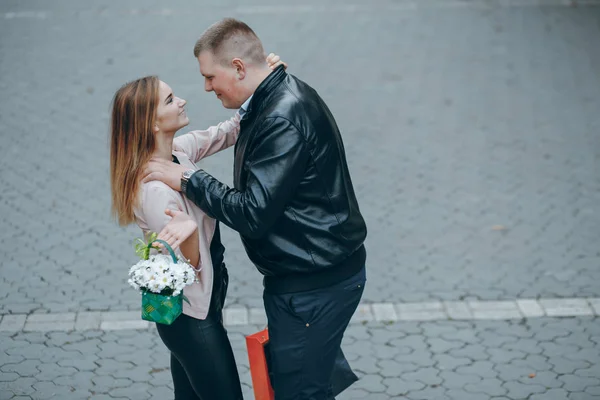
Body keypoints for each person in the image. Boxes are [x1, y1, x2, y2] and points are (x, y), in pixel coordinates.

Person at [143, 18, 367, 400]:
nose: (204, 88)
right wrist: (270, 79)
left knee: (299, 391)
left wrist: (188, 180)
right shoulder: (272, 100)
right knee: (299, 383)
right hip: (310, 275)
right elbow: (225, 131)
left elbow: (252, 214)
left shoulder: (279, 116)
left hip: (312, 283)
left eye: (210, 77)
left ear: (239, 68)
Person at [109, 54, 286, 400]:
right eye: (171, 100)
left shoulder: (175, 153)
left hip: (201, 306)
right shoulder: (155, 191)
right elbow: (186, 268)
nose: (183, 100)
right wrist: (189, 231)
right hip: (192, 319)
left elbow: (227, 131)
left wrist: (264, 81)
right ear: (152, 124)